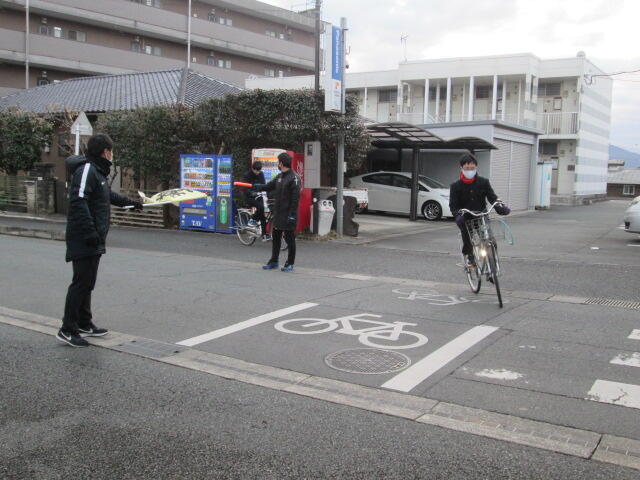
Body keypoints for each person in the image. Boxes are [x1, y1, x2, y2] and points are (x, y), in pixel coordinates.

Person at [57, 133, 143, 347]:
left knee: (87, 282)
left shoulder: (97, 172)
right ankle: (67, 329)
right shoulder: (88, 169)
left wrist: (132, 203)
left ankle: (84, 323)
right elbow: (78, 201)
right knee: (80, 283)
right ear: (106, 152)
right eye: (111, 151)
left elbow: (107, 196)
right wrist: (89, 233)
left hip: (94, 237)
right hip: (84, 237)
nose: (112, 155)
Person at [449, 153, 510, 267]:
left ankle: (493, 265)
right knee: (467, 239)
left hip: (481, 215)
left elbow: (492, 197)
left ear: (476, 167)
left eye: (472, 168)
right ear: (461, 168)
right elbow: (453, 205)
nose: (470, 171)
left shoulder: (483, 182)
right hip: (465, 217)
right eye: (467, 168)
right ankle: (470, 257)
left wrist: (500, 208)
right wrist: (457, 215)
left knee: (489, 239)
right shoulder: (455, 186)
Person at [254, 152, 300, 272]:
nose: (277, 164)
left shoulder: (294, 178)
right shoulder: (280, 176)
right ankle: (274, 261)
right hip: (278, 213)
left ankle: (290, 263)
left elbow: (295, 199)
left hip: (289, 214)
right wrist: (259, 187)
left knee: (289, 239)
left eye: (278, 162)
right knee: (276, 237)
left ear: (281, 163)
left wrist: (292, 215)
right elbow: (269, 186)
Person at [242, 161, 268, 240]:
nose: (257, 172)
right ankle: (253, 219)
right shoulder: (247, 175)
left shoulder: (261, 174)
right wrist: (251, 193)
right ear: (252, 169)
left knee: (263, 214)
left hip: (259, 196)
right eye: (256, 170)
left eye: (259, 170)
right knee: (261, 207)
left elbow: (263, 185)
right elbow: (245, 188)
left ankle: (264, 234)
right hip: (249, 197)